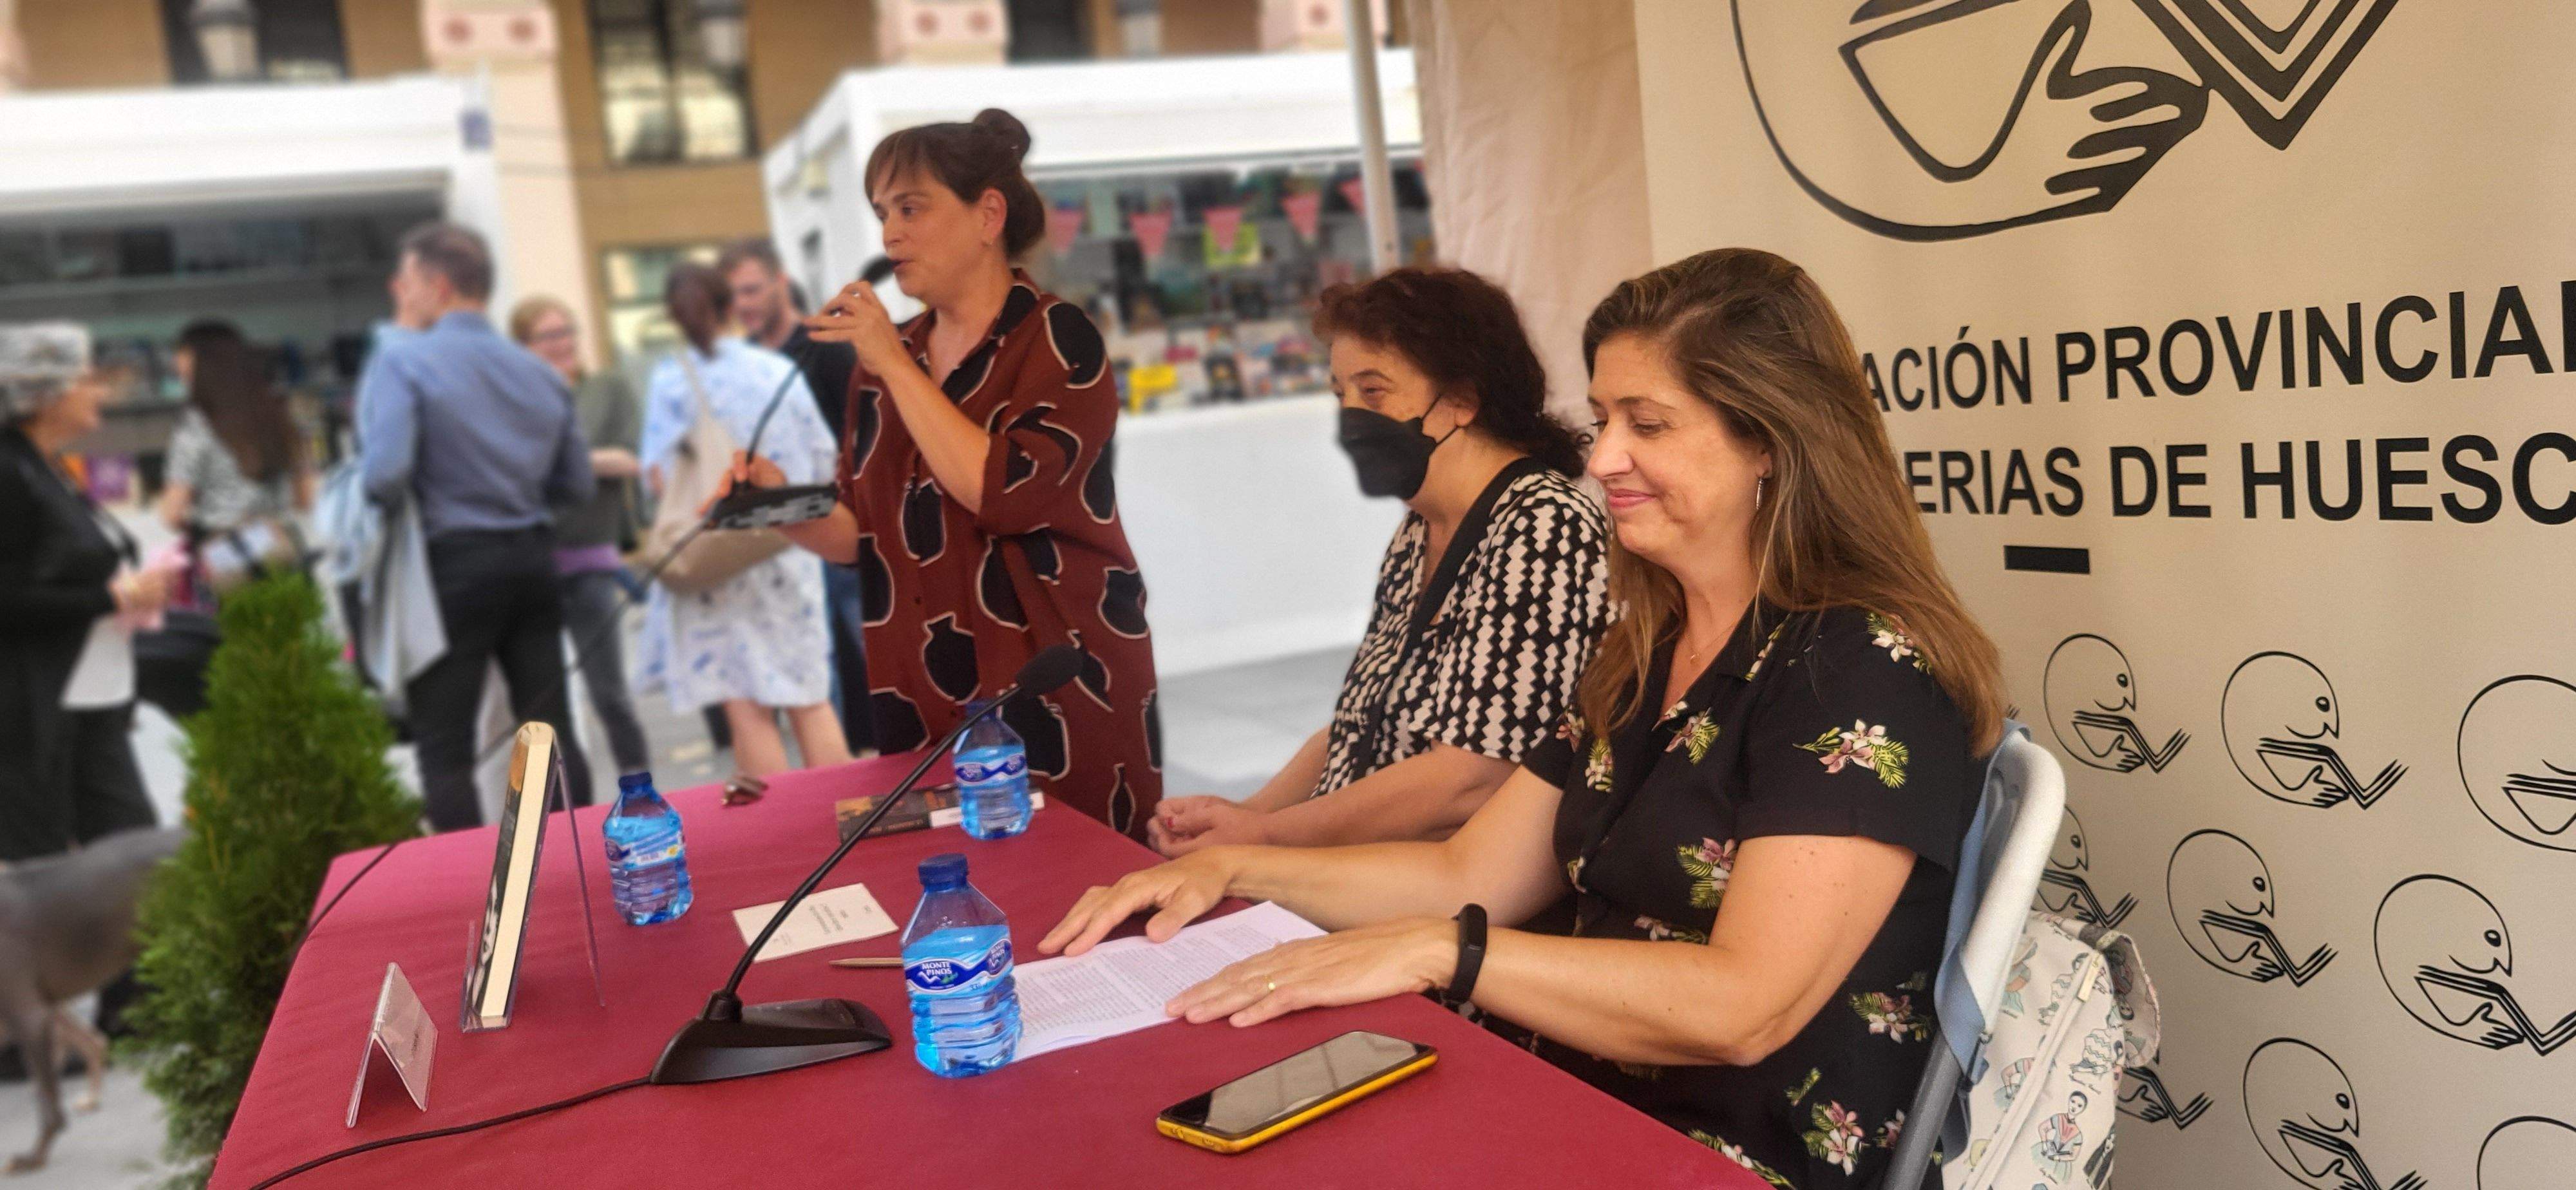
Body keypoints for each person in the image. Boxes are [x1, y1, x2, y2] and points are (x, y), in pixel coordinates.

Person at [1041, 249, 2009, 1187]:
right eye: (1602, 418)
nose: (1606, 457)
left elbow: (1744, 1007)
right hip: (1580, 1091)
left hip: (1732, 1147)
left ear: (1769, 438)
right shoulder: (1649, 649)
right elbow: (1468, 873)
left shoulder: (1859, 669)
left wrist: (1439, 951)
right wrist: (1234, 865)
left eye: (1650, 424)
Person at [731, 108, 1163, 836]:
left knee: (1077, 892)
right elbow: (857, 534)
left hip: (1053, 681)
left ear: (987, 213)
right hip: (920, 688)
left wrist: (897, 366)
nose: (889, 235)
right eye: (881, 213)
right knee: (953, 895)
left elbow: (1003, 493)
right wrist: (775, 503)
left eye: (911, 208)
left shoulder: (1054, 336)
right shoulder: (883, 364)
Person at [1151, 268, 1611, 856]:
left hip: (1447, 892)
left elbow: (1470, 779)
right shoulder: (1422, 527)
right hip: (1372, 865)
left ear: (1461, 401)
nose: (1350, 417)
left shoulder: (1545, 525)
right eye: (1339, 393)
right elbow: (1363, 721)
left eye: (1373, 391)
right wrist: (1245, 812)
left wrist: (1266, 839)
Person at [359, 222, 594, 831]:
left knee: (445, 748)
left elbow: (384, 476)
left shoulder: (402, 362)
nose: (403, 295)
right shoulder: (542, 372)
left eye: (408, 282)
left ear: (437, 285)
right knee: (552, 730)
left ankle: (464, 897)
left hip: (450, 567)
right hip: (533, 559)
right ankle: (585, 864)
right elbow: (577, 485)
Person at [635, 263, 850, 779]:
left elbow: (658, 478)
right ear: (730, 308)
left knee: (747, 710)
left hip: (715, 561)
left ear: (674, 317)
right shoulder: (777, 371)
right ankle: (852, 820)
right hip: (786, 548)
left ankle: (779, 838)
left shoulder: (671, 382)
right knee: (810, 697)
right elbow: (824, 457)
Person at [0, 323, 164, 863]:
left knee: (133, 865)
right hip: (33, 715)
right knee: (48, 877)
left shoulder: (43, 464)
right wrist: (111, 599)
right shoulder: (10, 470)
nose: (101, 392)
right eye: (88, 378)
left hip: (88, 699)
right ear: (46, 391)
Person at [719, 237, 875, 755]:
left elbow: (861, 432)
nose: (744, 304)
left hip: (836, 518)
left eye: (752, 290)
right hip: (777, 533)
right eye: (734, 295)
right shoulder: (740, 361)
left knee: (859, 645)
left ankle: (877, 757)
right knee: (809, 667)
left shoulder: (824, 343)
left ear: (780, 282)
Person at [509, 296, 654, 780]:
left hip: (591, 560)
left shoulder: (606, 388)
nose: (562, 343)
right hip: (532, 565)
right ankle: (572, 809)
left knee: (608, 693)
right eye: (548, 336)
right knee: (545, 707)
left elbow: (633, 459)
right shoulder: (517, 398)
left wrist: (566, 462)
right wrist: (589, 461)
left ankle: (640, 789)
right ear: (524, 346)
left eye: (567, 330)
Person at [157, 319, 312, 538]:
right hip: (283, 547)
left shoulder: (197, 426)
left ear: (199, 362)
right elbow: (305, 500)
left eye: (182, 354)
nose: (177, 363)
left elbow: (172, 513)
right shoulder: (280, 416)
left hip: (226, 554)